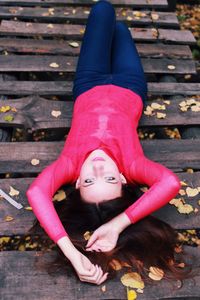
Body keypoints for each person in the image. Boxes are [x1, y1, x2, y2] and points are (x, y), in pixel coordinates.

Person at [26, 0, 184, 285]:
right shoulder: (133, 165)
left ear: (76, 182)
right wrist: (118, 223)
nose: (97, 168)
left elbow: (37, 192)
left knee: (103, 10)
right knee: (121, 30)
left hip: (89, 81)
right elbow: (171, 183)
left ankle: (108, 30)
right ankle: (116, 33)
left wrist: (72, 253)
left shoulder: (70, 165)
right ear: (123, 178)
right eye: (109, 177)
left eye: (88, 181)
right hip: (130, 84)